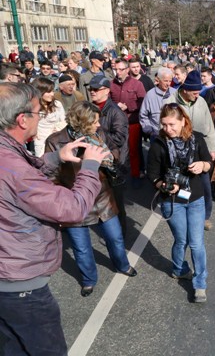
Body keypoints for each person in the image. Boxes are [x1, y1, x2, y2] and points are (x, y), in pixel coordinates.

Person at [0, 82, 108, 355]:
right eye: (37, 113)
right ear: (22, 119)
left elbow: (21, 178)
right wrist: (91, 166)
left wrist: (54, 158)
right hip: (21, 287)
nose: (41, 117)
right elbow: (71, 208)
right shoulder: (10, 166)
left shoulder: (7, 152)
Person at [45, 101, 137, 298]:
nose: (98, 125)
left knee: (115, 237)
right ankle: (88, 280)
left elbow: (115, 149)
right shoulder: (55, 141)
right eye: (94, 121)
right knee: (81, 247)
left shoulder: (99, 134)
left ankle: (123, 265)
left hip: (103, 196)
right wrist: (61, 203)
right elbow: (51, 176)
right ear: (82, 122)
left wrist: (107, 157)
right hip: (75, 201)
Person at [146, 103, 212, 303]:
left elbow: (209, 162)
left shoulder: (197, 139)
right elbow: (153, 174)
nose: (168, 129)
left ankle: (200, 284)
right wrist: (164, 185)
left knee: (197, 243)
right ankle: (179, 268)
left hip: (195, 199)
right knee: (181, 240)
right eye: (164, 125)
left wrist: (202, 165)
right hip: (172, 200)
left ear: (183, 121)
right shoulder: (158, 144)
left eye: (172, 124)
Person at [164, 70, 215, 230]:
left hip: (199, 149)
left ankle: (205, 216)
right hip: (179, 150)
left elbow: (209, 126)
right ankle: (182, 214)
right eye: (195, 92)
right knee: (182, 185)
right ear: (185, 90)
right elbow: (164, 127)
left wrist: (212, 148)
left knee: (205, 186)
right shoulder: (170, 103)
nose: (198, 94)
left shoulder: (200, 101)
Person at [89, 75, 130, 235]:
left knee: (116, 204)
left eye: (95, 89)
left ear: (106, 90)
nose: (92, 92)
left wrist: (97, 132)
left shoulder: (115, 112)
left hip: (114, 165)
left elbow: (119, 139)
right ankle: (109, 232)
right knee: (101, 202)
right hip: (97, 163)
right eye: (90, 89)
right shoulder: (90, 108)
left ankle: (120, 236)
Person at [31, 77, 66, 157]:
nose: (52, 94)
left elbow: (64, 120)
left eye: (53, 91)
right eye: (48, 92)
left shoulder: (57, 104)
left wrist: (58, 128)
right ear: (40, 92)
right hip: (41, 141)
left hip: (57, 139)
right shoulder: (32, 107)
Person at [140, 67, 175, 140]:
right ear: (158, 80)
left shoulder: (175, 93)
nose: (168, 84)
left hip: (173, 135)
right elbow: (143, 115)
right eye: (165, 81)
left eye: (170, 81)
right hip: (156, 135)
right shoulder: (150, 95)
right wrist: (149, 130)